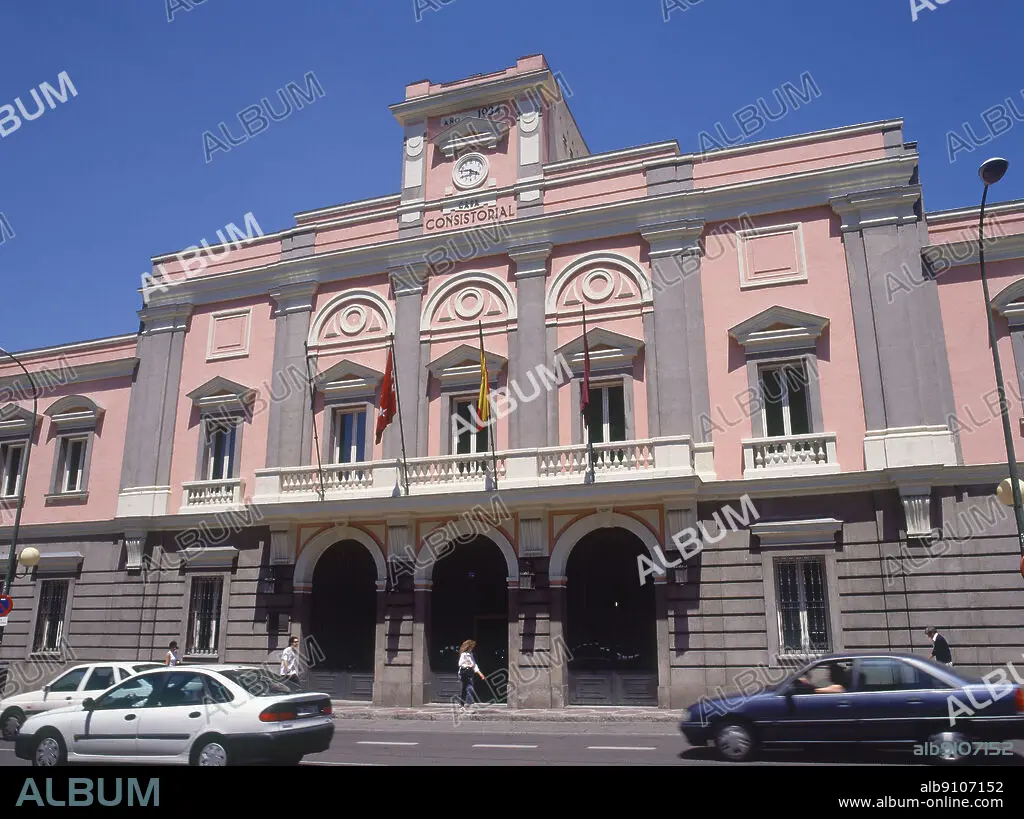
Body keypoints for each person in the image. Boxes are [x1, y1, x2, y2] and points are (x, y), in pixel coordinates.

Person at [457, 639, 486, 707]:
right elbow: (460, 664)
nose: (472, 648)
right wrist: (468, 665)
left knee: (466, 688)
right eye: (472, 647)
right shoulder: (464, 654)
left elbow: (474, 665)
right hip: (464, 673)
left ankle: (463, 703)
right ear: (468, 647)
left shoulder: (471, 654)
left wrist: (480, 674)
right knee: (469, 687)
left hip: (469, 673)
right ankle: (468, 703)